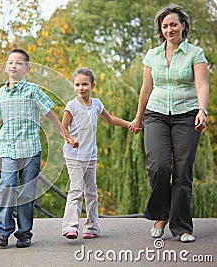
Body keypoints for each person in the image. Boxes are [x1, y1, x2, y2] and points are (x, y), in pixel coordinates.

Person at [129, 4, 209, 243]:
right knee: (158, 165)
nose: (169, 29)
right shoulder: (152, 55)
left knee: (183, 171)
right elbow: (146, 89)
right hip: (156, 113)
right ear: (160, 30)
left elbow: (202, 85)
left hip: (188, 115)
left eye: (173, 24)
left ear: (183, 25)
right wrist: (138, 117)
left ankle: (182, 227)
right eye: (165, 26)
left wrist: (202, 110)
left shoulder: (195, 53)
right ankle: (160, 214)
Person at [0, 49, 69, 248]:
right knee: (6, 186)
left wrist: (64, 133)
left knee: (26, 193)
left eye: (19, 63)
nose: (14, 65)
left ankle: (24, 233)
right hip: (7, 147)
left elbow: (49, 112)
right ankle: (3, 230)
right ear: (6, 67)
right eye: (10, 62)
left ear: (27, 68)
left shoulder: (33, 90)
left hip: (30, 149)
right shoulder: (1, 92)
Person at [61, 67, 133, 240]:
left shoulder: (97, 104)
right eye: (77, 84)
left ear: (92, 85)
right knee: (76, 190)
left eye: (85, 84)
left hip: (91, 156)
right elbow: (63, 128)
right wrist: (70, 139)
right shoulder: (71, 106)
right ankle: (70, 227)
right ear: (73, 86)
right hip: (74, 156)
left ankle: (92, 227)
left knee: (91, 192)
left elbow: (110, 119)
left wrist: (129, 124)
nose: (81, 88)